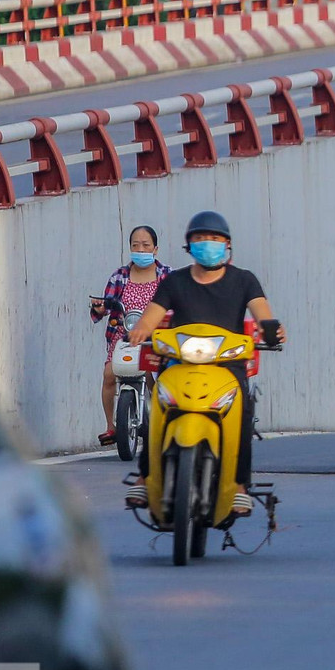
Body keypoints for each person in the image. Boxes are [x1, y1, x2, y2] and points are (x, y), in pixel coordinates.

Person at [123, 211, 286, 516]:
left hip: (227, 367)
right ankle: (145, 478)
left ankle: (239, 486)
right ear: (189, 245)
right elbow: (152, 315)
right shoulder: (175, 281)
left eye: (214, 238)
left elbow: (262, 312)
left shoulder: (244, 280)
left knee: (242, 413)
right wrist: (141, 329)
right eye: (200, 238)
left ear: (227, 245)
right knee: (156, 409)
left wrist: (272, 329)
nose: (207, 244)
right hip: (179, 364)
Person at [89, 226, 170, 446]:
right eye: (135, 245)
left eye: (145, 245)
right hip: (123, 335)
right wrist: (98, 308)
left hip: (157, 337)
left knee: (159, 379)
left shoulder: (167, 276)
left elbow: (178, 302)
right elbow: (105, 305)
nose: (140, 249)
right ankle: (111, 426)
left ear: (155, 248)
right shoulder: (119, 276)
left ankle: (164, 422)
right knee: (109, 374)